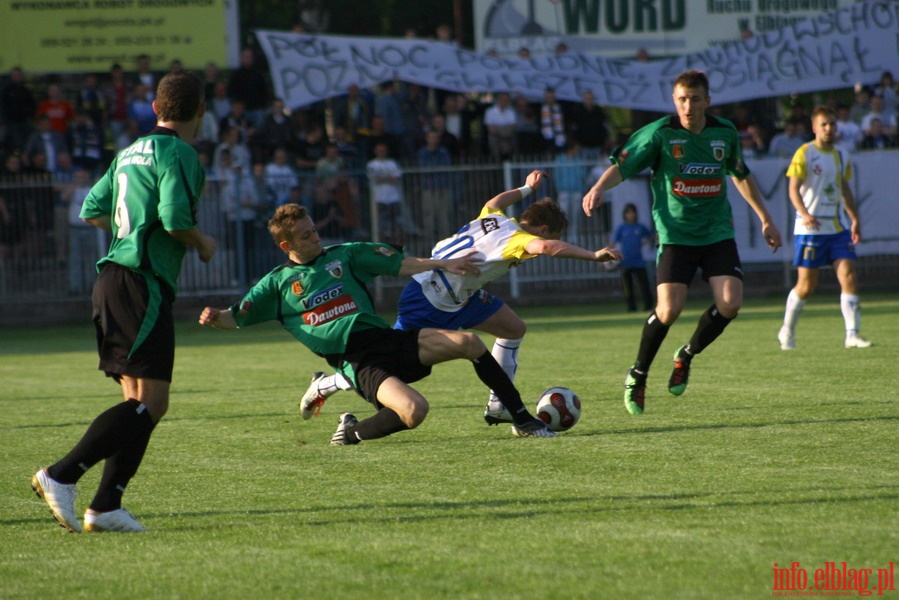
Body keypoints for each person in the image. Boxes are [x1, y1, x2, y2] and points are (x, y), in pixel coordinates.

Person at [198, 203, 557, 442]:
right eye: (306, 236)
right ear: (284, 245)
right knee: (415, 411)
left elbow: (400, 264)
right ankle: (350, 433)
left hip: (385, 341)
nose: (316, 237)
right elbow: (236, 318)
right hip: (357, 361)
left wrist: (443, 264)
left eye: (314, 230)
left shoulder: (345, 255)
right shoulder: (276, 284)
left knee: (469, 343)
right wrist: (216, 318)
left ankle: (522, 418)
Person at [31, 71, 217, 533]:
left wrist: (127, 234)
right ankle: (61, 474)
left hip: (112, 278)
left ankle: (106, 505)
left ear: (155, 108)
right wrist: (201, 242)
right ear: (201, 112)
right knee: (151, 404)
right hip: (143, 283)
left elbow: (91, 209)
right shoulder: (180, 153)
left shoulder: (128, 152)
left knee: (137, 399)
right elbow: (174, 218)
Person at [300, 170, 620, 426]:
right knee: (386, 367)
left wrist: (525, 188)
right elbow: (547, 247)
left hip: (461, 296)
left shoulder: (493, 217)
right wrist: (593, 256)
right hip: (428, 299)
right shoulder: (521, 239)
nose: (548, 243)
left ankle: (500, 405)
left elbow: (495, 199)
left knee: (513, 327)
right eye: (552, 235)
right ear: (544, 228)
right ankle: (325, 385)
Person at [582, 69, 782, 416]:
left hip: (717, 232)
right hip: (676, 236)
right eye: (681, 99)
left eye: (694, 99)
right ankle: (638, 373)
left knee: (731, 304)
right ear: (675, 101)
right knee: (669, 310)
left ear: (707, 100)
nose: (687, 106)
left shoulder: (725, 132)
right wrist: (599, 187)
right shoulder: (661, 133)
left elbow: (740, 173)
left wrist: (765, 218)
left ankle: (686, 355)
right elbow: (623, 165)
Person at [777, 106, 871, 351]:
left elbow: (845, 189)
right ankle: (787, 330)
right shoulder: (804, 153)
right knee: (807, 286)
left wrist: (855, 218)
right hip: (810, 229)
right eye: (824, 125)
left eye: (832, 124)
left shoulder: (842, 155)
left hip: (837, 227)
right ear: (814, 127)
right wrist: (805, 214)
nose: (829, 129)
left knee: (849, 275)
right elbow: (793, 189)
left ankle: (852, 334)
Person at [613, 203, 654, 313]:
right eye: (628, 212)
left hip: (639, 262)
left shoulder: (640, 227)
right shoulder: (621, 228)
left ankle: (648, 306)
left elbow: (651, 237)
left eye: (632, 212)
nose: (630, 215)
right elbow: (613, 243)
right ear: (625, 214)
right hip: (625, 262)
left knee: (644, 285)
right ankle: (631, 307)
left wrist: (643, 243)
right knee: (628, 287)